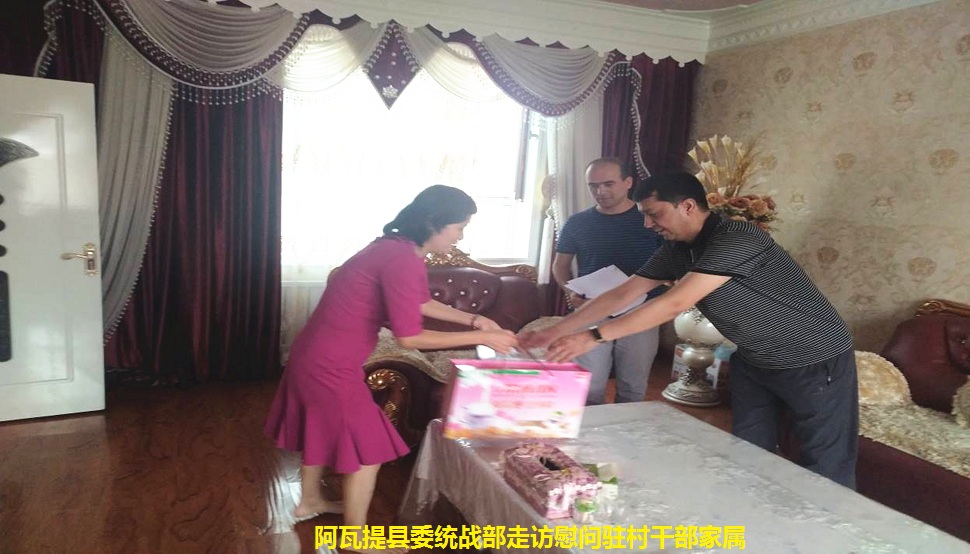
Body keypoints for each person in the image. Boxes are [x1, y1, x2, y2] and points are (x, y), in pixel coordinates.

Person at [521, 171, 858, 488]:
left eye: (654, 214)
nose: (647, 224)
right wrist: (557, 330)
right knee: (747, 453)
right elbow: (623, 293)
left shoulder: (738, 239)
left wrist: (593, 336)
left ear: (687, 206)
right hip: (755, 359)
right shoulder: (678, 249)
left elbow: (673, 303)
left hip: (812, 357)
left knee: (825, 463)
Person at [265, 185, 518, 551]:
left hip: (315, 355)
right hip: (329, 365)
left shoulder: (394, 248)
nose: (461, 236)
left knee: (318, 427)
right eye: (460, 226)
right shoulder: (402, 258)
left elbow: (420, 302)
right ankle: (355, 540)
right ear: (434, 223)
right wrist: (483, 339)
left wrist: (476, 321)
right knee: (368, 452)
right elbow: (409, 337)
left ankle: (310, 501)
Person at [553, 157, 663, 404]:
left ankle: (625, 429)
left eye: (608, 184)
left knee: (633, 387)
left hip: (641, 312)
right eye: (593, 186)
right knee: (587, 387)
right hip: (592, 309)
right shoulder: (577, 222)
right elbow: (560, 265)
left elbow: (670, 267)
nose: (600, 191)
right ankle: (590, 430)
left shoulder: (651, 220)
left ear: (628, 182)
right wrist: (570, 291)